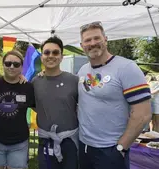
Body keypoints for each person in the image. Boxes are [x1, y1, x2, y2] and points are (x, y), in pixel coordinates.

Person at [77, 21, 152, 169]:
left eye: (96, 38)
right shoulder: (82, 70)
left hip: (111, 150)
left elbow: (143, 114)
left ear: (105, 39)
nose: (92, 43)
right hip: (84, 147)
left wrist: (121, 147)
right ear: (82, 45)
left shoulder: (126, 67)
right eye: (87, 40)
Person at [32, 36, 79, 169]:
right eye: (47, 52)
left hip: (70, 142)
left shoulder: (74, 80)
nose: (51, 56)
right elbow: (36, 106)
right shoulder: (35, 82)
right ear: (42, 57)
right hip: (45, 141)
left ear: (62, 56)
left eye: (55, 52)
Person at [0, 50, 35, 169]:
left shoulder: (28, 87)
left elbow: (38, 107)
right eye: (8, 63)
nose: (11, 67)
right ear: (3, 65)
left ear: (22, 67)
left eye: (16, 64)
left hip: (19, 142)